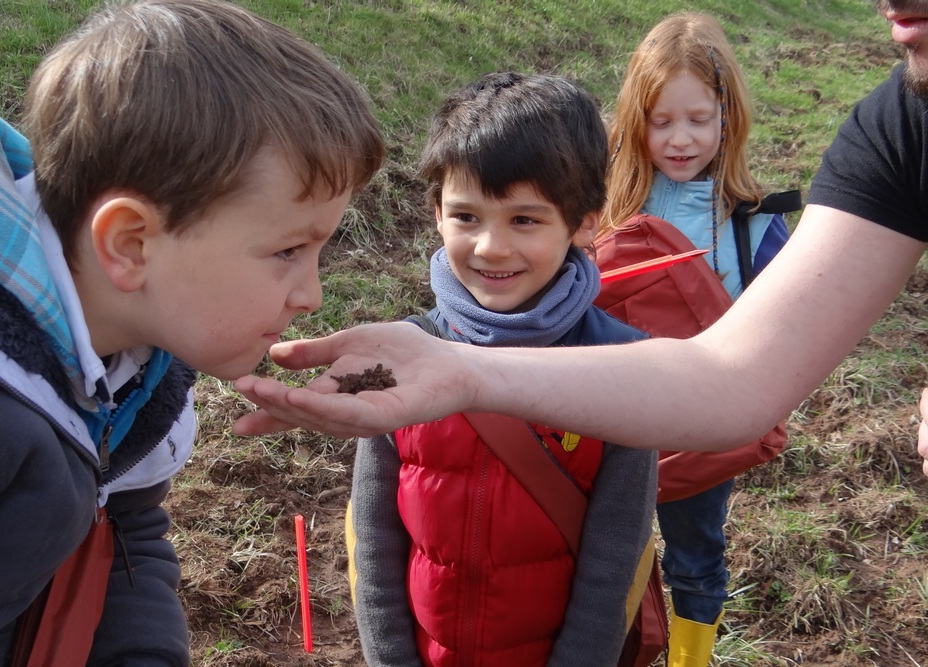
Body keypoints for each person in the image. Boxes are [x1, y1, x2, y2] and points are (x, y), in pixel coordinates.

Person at [231, 0, 928, 471]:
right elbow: (734, 379)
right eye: (466, 215)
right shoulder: (901, 127)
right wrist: (463, 369)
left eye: (526, 220)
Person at [0, 1, 384, 665]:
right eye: (289, 250)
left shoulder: (138, 363)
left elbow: (122, 532)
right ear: (132, 244)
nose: (311, 294)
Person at [346, 72, 655, 667]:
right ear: (436, 213)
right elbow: (372, 538)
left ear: (585, 223)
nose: (490, 247)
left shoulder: (622, 371)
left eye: (525, 220)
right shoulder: (401, 356)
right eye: (466, 216)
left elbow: (618, 560)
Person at [599, 13, 793, 666]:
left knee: (696, 555)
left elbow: (783, 332)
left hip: (700, 434)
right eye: (661, 121)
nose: (681, 139)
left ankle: (690, 657)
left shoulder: (755, 230)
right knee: (605, 551)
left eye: (699, 119)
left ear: (727, 119)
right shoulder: (603, 212)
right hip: (609, 422)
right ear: (635, 121)